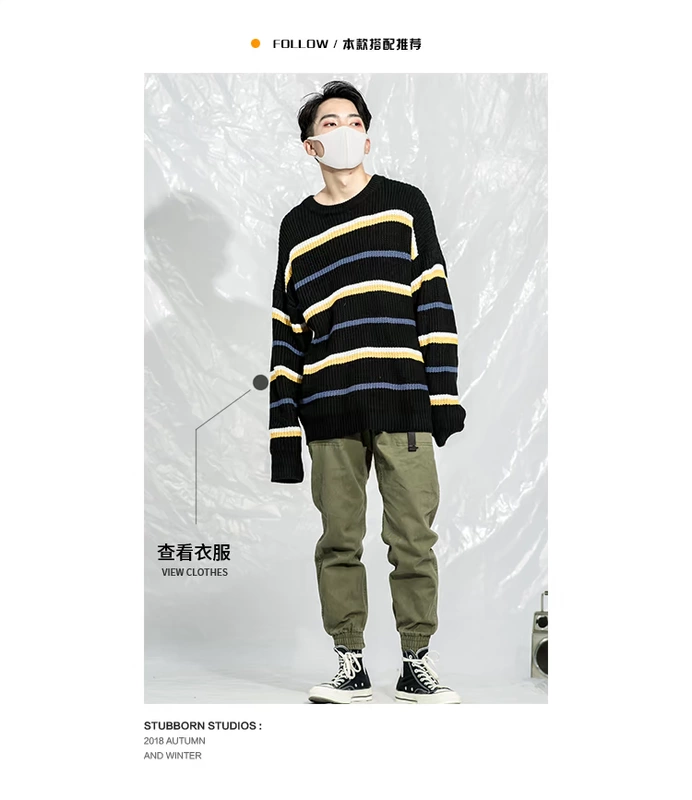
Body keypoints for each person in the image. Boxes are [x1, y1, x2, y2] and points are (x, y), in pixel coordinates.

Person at [268, 80, 467, 704]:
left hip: (403, 401)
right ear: (311, 145)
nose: (345, 130)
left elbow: (433, 298)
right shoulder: (297, 227)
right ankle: (348, 662)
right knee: (338, 542)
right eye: (331, 123)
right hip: (327, 411)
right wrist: (282, 435)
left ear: (368, 136)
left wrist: (443, 395)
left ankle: (415, 663)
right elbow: (286, 333)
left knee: (413, 540)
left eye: (354, 121)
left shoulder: (404, 204)